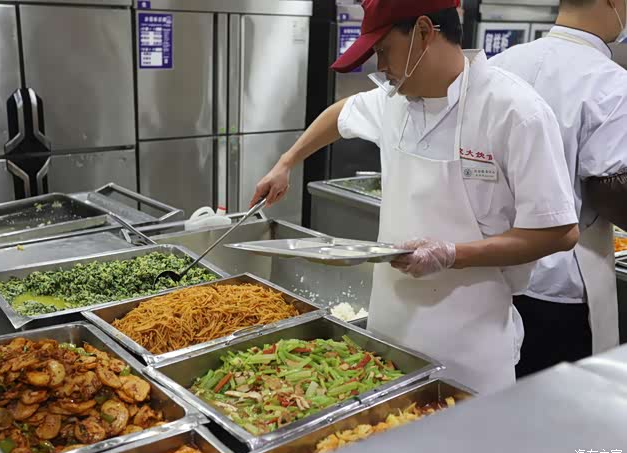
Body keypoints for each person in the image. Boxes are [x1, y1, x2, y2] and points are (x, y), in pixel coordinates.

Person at [250, 0, 580, 394]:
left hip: (470, 347)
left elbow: (560, 232)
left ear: (424, 32)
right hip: (388, 336)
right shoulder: (395, 101)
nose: (380, 66)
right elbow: (340, 114)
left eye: (383, 50)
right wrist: (286, 162)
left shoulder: (516, 112)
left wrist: (452, 254)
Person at [489, 0, 627, 377]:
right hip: (562, 282)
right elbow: (611, 190)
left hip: (494, 271)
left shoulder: (500, 64)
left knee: (498, 394)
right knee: (559, 403)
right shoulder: (610, 82)